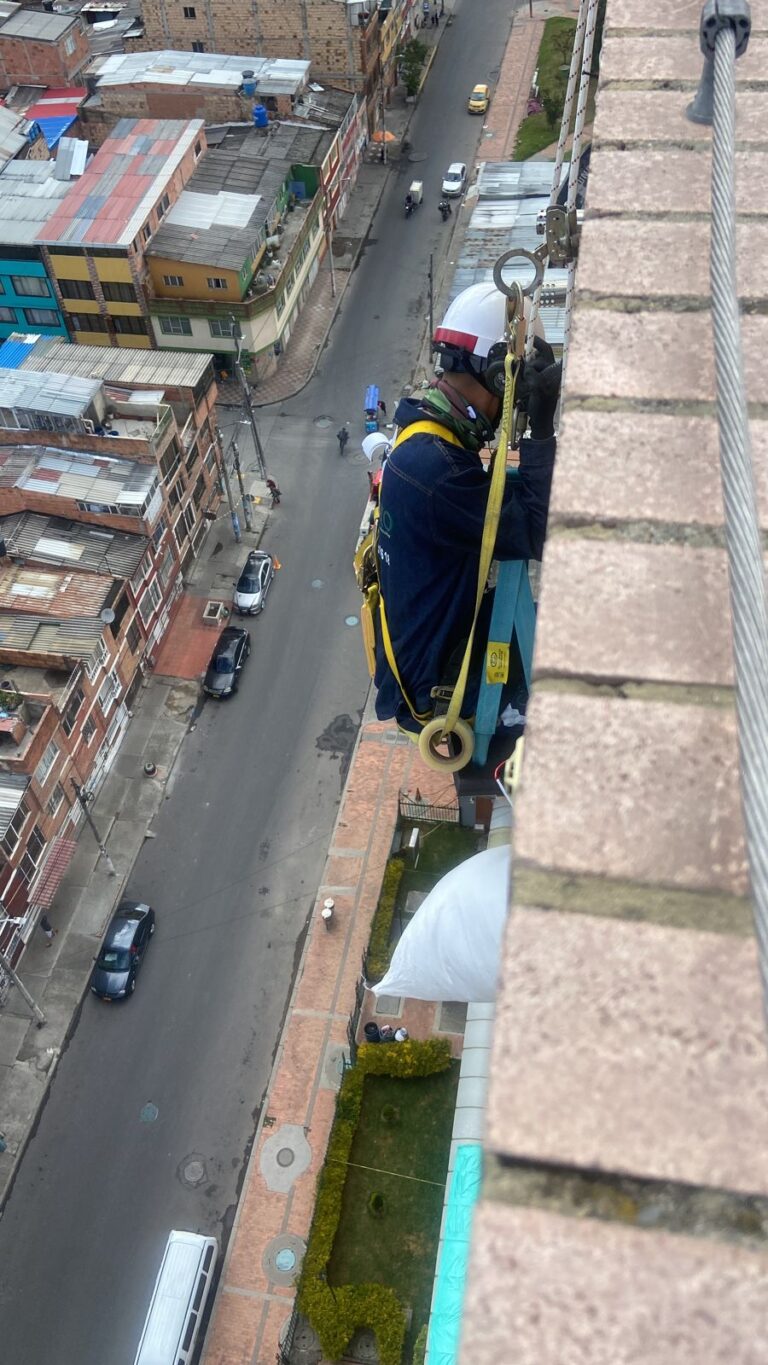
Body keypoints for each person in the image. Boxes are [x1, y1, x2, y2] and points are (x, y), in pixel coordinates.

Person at [373, 281, 561, 736]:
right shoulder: (437, 471)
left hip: (424, 660)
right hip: (442, 689)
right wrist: (540, 431)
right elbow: (538, 532)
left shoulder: (418, 437)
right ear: (500, 376)